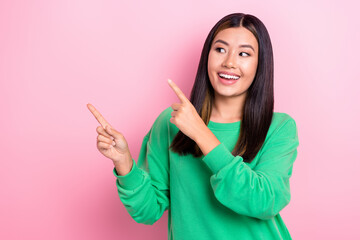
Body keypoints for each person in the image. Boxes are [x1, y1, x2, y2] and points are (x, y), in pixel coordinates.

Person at [87, 12, 299, 240]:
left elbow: (264, 202)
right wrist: (124, 164)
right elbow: (148, 211)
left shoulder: (279, 127)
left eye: (244, 54)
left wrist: (200, 133)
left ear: (260, 65)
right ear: (207, 56)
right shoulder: (172, 122)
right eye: (220, 49)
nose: (229, 62)